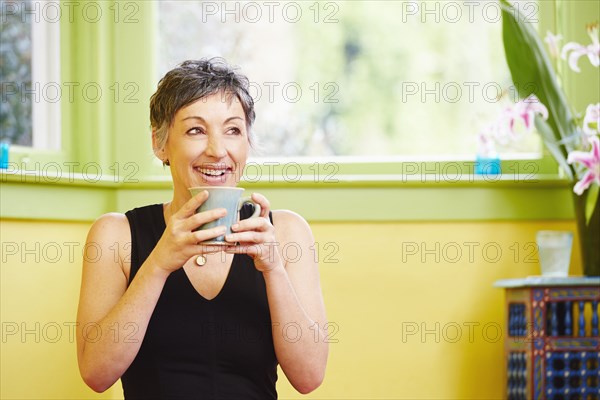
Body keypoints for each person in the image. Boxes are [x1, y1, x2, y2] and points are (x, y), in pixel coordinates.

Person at [76, 58, 328, 399]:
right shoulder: (116, 235)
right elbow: (96, 373)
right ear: (160, 143)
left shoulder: (286, 232)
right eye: (196, 130)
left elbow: (309, 377)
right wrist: (159, 263)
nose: (217, 150)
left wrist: (273, 268)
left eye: (233, 130)